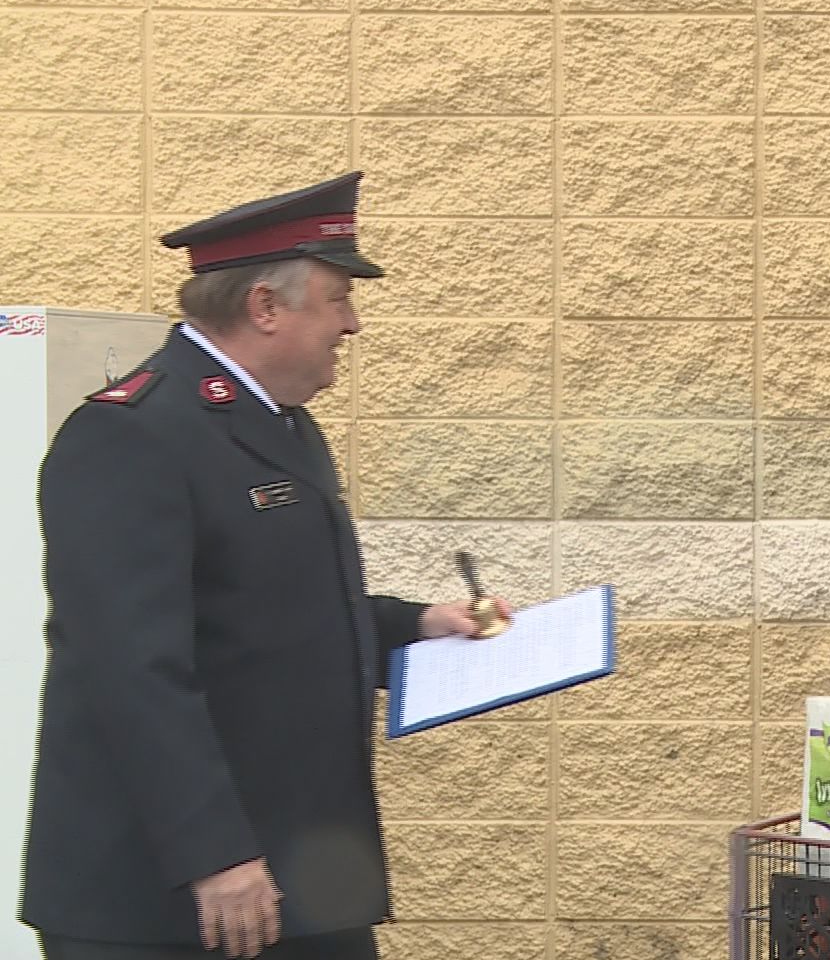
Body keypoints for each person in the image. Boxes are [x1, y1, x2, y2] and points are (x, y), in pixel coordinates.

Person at [22, 173, 510, 960]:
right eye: (339, 299)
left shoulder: (283, 426)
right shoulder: (132, 436)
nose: (352, 326)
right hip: (170, 898)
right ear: (266, 306)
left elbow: (281, 609)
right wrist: (214, 854)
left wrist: (419, 624)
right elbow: (132, 669)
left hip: (303, 875)